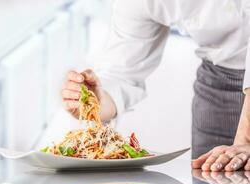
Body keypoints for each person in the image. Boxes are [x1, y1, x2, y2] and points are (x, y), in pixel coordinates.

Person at [61, 0, 250, 172]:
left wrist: (246, 138)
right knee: (212, 183)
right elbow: (122, 73)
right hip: (217, 83)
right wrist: (95, 102)